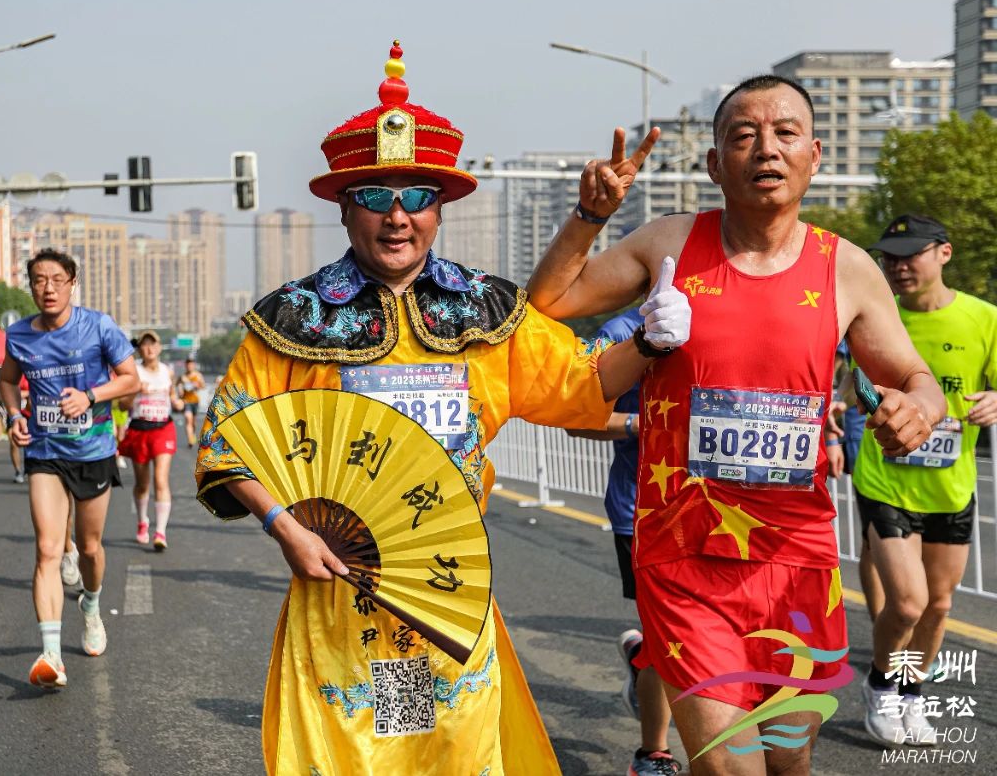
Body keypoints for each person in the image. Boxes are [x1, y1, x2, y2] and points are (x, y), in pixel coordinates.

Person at [195, 41, 689, 774]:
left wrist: (647, 341)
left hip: (445, 589)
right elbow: (227, 441)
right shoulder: (294, 317)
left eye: (417, 196)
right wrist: (284, 527)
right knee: (358, 756)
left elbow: (580, 385)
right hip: (337, 591)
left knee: (444, 751)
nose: (397, 217)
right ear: (344, 207)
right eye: (375, 196)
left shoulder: (485, 309)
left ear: (440, 207)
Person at [526, 74, 943, 775]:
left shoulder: (846, 268)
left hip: (798, 560)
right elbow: (549, 301)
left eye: (785, 133)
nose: (766, 149)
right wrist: (588, 216)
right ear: (715, 164)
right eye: (744, 136)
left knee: (788, 759)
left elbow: (914, 377)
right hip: (684, 555)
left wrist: (921, 409)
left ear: (814, 154)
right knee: (730, 764)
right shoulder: (669, 243)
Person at [850, 215, 997, 747]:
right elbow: (850, 381)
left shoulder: (984, 318)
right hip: (885, 480)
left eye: (910, 254)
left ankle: (910, 693)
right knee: (908, 603)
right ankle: (880, 684)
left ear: (944, 253)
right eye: (889, 257)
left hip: (950, 487)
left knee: (938, 606)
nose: (898, 265)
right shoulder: (877, 316)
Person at [0, 248, 139, 689]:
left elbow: (130, 378)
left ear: (72, 283)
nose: (48, 288)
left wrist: (91, 396)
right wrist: (14, 415)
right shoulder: (18, 335)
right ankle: (52, 655)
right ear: (31, 287)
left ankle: (91, 606)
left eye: (57, 280)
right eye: (39, 280)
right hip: (44, 451)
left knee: (90, 548)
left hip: (93, 450)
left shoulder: (98, 325)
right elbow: (7, 381)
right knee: (47, 549)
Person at [563, 309, 679, 776]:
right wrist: (641, 424)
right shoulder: (623, 332)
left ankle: (640, 660)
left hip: (722, 514)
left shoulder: (737, 318)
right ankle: (653, 753)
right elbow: (576, 418)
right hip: (644, 513)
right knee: (666, 639)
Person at [119, 330, 183, 550]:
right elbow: (123, 406)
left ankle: (160, 532)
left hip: (163, 428)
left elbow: (173, 395)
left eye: (153, 344)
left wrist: (177, 402)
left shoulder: (167, 372)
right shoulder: (133, 372)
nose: (149, 349)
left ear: (159, 348)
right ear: (140, 350)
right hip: (139, 429)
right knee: (142, 484)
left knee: (161, 480)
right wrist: (135, 391)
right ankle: (142, 521)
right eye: (145, 345)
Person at [176, 357, 206, 448]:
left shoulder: (198, 375)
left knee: (193, 422)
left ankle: (193, 434)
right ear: (186, 365)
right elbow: (177, 384)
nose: (189, 366)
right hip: (186, 401)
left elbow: (203, 386)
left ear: (193, 365)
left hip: (195, 401)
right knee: (188, 418)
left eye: (191, 364)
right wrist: (180, 389)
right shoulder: (182, 377)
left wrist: (197, 385)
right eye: (188, 364)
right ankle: (190, 440)